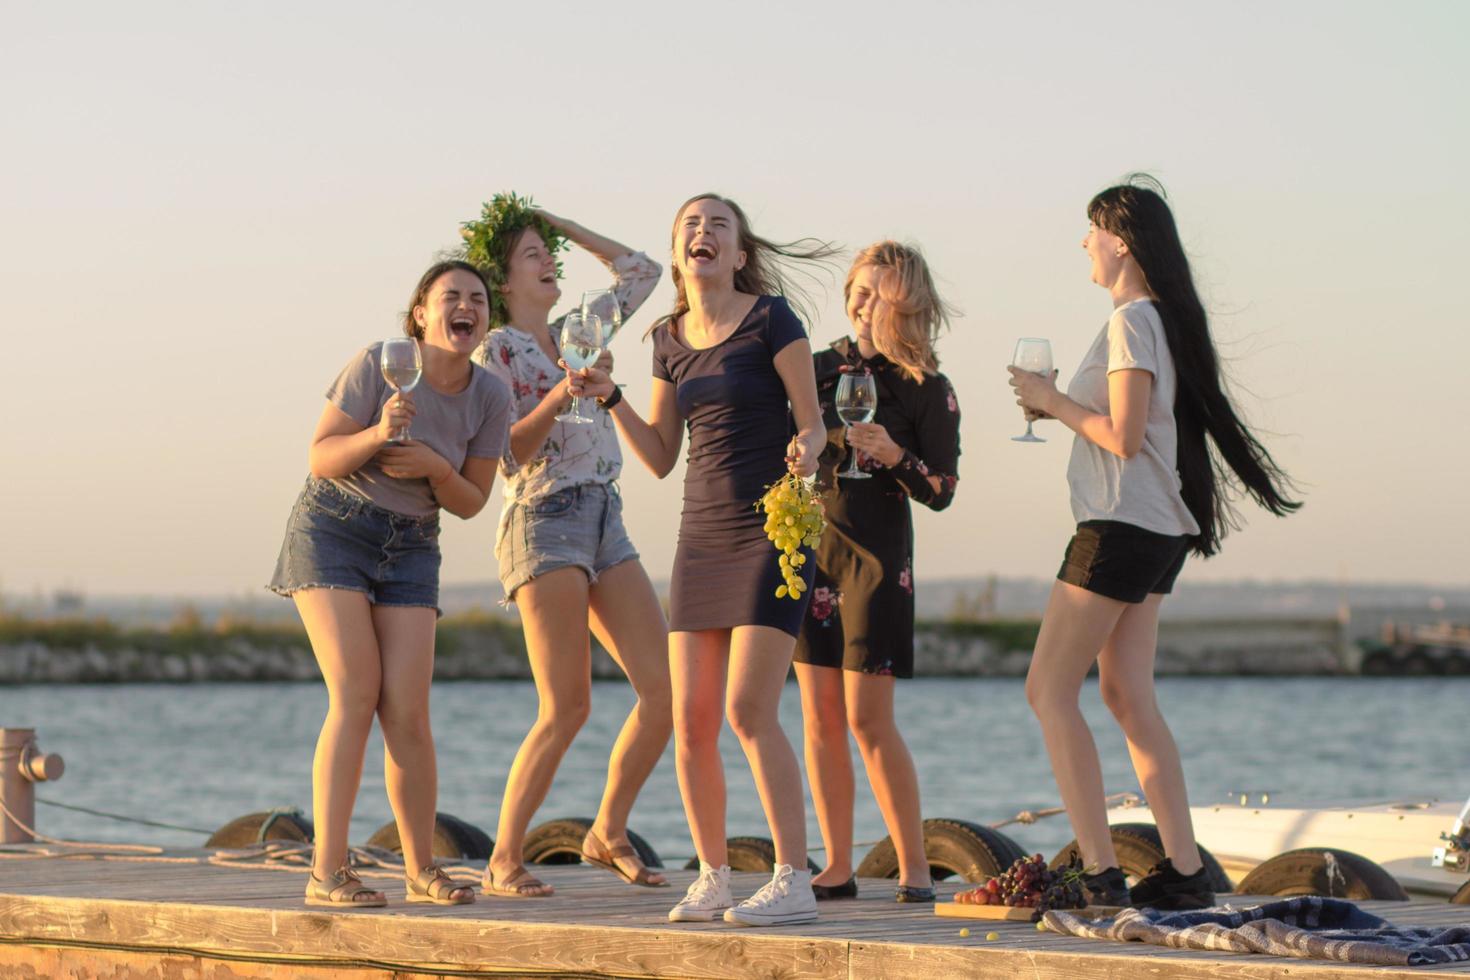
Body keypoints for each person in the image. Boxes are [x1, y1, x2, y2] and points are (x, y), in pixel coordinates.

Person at [1009, 175, 1300, 910]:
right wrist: (1063, 407)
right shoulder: (1161, 321)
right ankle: (1184, 869)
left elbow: (1125, 436)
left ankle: (1101, 872)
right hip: (1160, 529)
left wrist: (1050, 402)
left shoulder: (1132, 321)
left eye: (1092, 230)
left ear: (1122, 242)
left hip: (1120, 523)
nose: (1084, 242)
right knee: (1126, 694)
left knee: (1047, 690)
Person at [577, 193, 836, 926]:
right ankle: (714, 876)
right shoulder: (665, 338)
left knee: (749, 709)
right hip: (701, 535)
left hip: (772, 531)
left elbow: (814, 425)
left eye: (717, 224)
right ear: (679, 252)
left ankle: (792, 877)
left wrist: (806, 451)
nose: (703, 233)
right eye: (691, 224)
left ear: (740, 253)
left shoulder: (770, 319)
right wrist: (611, 398)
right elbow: (660, 456)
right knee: (691, 721)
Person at [268, 259, 512, 908]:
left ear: (487, 320)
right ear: (421, 315)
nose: (466, 306)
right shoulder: (378, 363)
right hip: (332, 529)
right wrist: (378, 433)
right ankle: (326, 873)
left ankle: (420, 869)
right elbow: (321, 455)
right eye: (451, 297)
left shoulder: (492, 396)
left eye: (479, 300)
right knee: (355, 693)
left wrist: (434, 464)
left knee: (408, 712)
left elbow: (471, 501)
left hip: (412, 545)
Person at [464, 198, 673, 898]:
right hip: (542, 517)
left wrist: (558, 224)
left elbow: (644, 273)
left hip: (604, 513)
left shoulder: (576, 329)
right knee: (567, 705)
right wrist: (562, 392)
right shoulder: (496, 349)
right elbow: (507, 453)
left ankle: (607, 830)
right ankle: (502, 859)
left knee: (664, 692)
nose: (549, 263)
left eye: (549, 254)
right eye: (533, 255)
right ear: (502, 281)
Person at [794, 241, 960, 904]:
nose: (862, 305)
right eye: (858, 291)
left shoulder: (928, 390)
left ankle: (915, 869)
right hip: (811, 552)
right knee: (818, 720)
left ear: (908, 305)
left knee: (868, 720)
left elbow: (943, 488)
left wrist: (895, 455)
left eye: (879, 294)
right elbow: (786, 449)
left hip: (879, 561)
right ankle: (836, 866)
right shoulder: (811, 370)